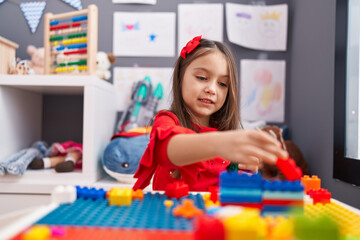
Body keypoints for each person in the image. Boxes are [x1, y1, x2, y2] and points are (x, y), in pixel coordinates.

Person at [132, 36, 288, 191]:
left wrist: (245, 175)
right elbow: (163, 149)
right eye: (202, 77)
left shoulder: (226, 134)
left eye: (222, 84)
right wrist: (222, 144)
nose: (212, 89)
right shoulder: (167, 120)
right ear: (180, 77)